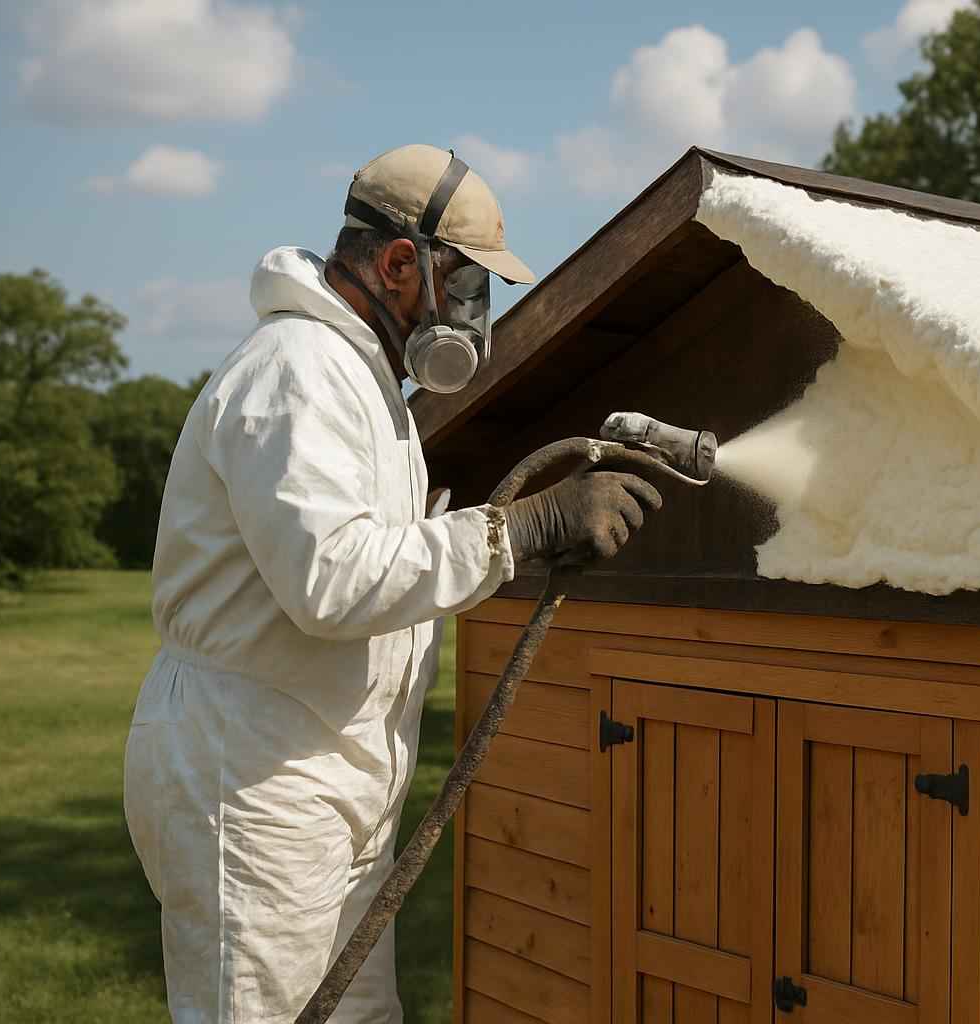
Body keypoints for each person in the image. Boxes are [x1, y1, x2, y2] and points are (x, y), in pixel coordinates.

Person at [123, 144, 662, 1023]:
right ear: (400, 262)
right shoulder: (299, 370)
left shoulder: (364, 381)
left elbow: (385, 552)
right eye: (466, 286)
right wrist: (524, 529)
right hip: (256, 781)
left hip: (326, 771)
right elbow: (333, 579)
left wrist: (510, 536)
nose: (474, 315)